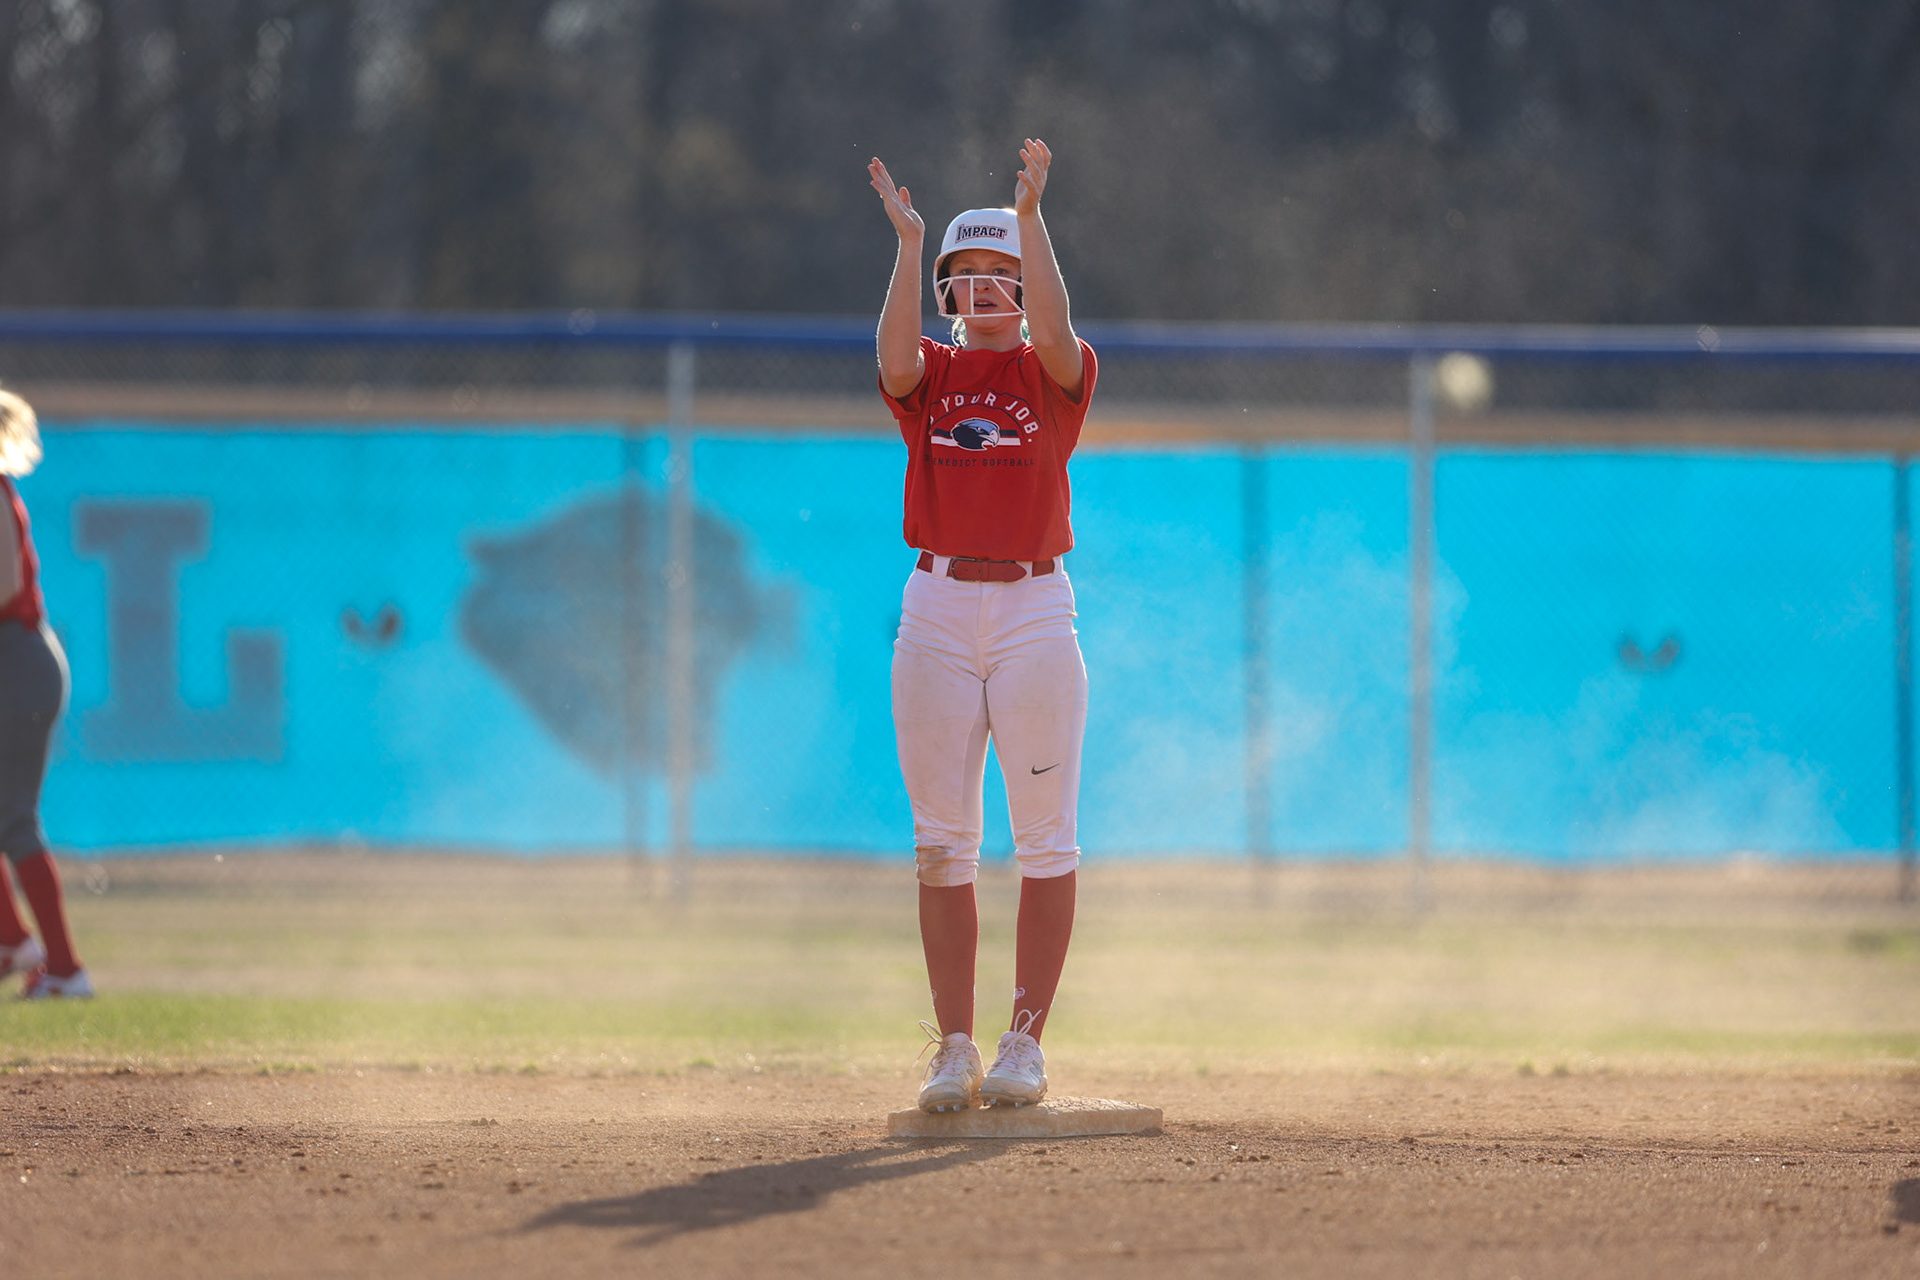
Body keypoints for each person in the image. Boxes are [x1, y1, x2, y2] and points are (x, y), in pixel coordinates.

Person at [868, 139, 1095, 1111]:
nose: (985, 292)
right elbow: (890, 356)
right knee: (941, 840)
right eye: (967, 278)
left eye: (1000, 275)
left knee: (1044, 838)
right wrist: (912, 247)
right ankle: (955, 1045)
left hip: (1035, 604)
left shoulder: (1056, 372)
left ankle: (1025, 1042)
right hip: (939, 602)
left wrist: (1031, 220)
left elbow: (1054, 330)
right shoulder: (935, 375)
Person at [0, 387, 91, 999]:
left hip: (17, 660)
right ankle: (15, 941)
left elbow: (4, 588)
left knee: (13, 818)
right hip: (18, 658)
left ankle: (62, 968)